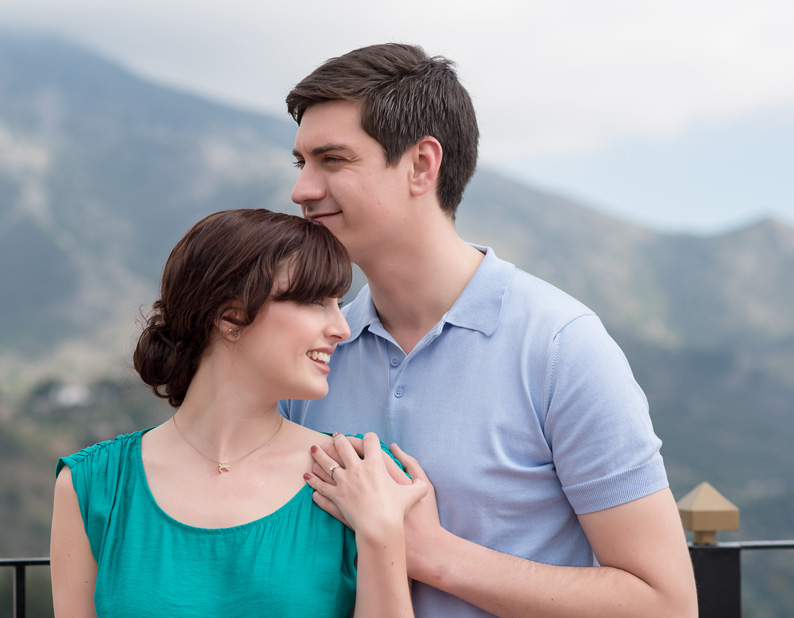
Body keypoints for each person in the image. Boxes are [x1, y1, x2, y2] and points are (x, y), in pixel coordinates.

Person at [281, 44, 698, 617]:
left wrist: (433, 554)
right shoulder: (308, 351)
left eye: (332, 160)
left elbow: (666, 605)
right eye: (300, 163)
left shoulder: (560, 346)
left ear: (422, 166)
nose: (302, 189)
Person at [50, 209, 427, 617]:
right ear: (232, 316)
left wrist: (382, 533)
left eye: (340, 303)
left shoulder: (363, 478)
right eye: (316, 301)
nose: (342, 327)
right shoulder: (92, 486)